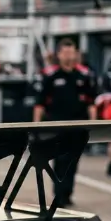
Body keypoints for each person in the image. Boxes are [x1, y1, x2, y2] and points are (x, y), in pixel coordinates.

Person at [32, 38, 97, 207]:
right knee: (59, 161)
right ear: (59, 54)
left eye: (72, 52)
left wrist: (94, 124)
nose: (69, 56)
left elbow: (91, 103)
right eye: (65, 52)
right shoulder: (49, 75)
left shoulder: (85, 74)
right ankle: (58, 195)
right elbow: (40, 104)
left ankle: (67, 193)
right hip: (56, 126)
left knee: (72, 161)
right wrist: (36, 127)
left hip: (78, 126)